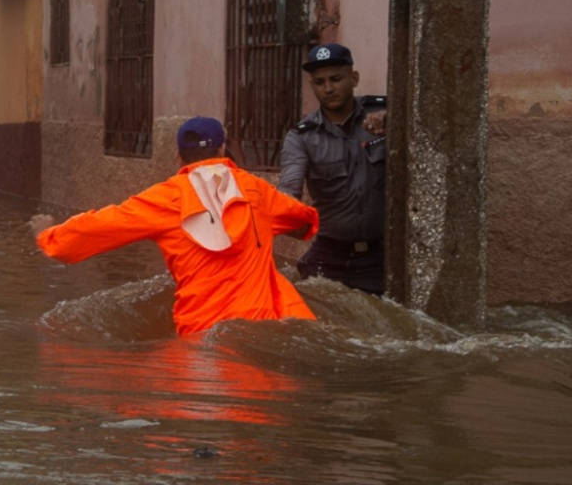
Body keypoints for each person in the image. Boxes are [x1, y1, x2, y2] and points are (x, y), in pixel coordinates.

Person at [29, 117, 320, 337]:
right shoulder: (257, 190)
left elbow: (99, 227)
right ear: (222, 149)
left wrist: (48, 236)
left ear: (179, 158)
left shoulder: (165, 198)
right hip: (264, 328)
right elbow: (303, 219)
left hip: (202, 334)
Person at [277, 43, 387, 295]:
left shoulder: (383, 116)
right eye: (319, 82)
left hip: (381, 257)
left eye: (336, 79)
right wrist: (285, 211)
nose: (328, 89)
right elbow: (289, 187)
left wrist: (395, 123)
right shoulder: (301, 137)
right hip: (330, 254)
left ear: (354, 78)